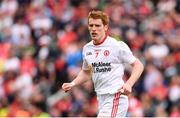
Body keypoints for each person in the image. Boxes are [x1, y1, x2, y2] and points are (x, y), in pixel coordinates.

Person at [62, 10, 144, 117]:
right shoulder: (87, 49)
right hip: (101, 98)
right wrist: (73, 83)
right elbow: (86, 72)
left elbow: (138, 65)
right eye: (91, 25)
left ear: (105, 27)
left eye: (97, 25)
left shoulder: (116, 45)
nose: (94, 29)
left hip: (116, 96)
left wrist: (128, 84)